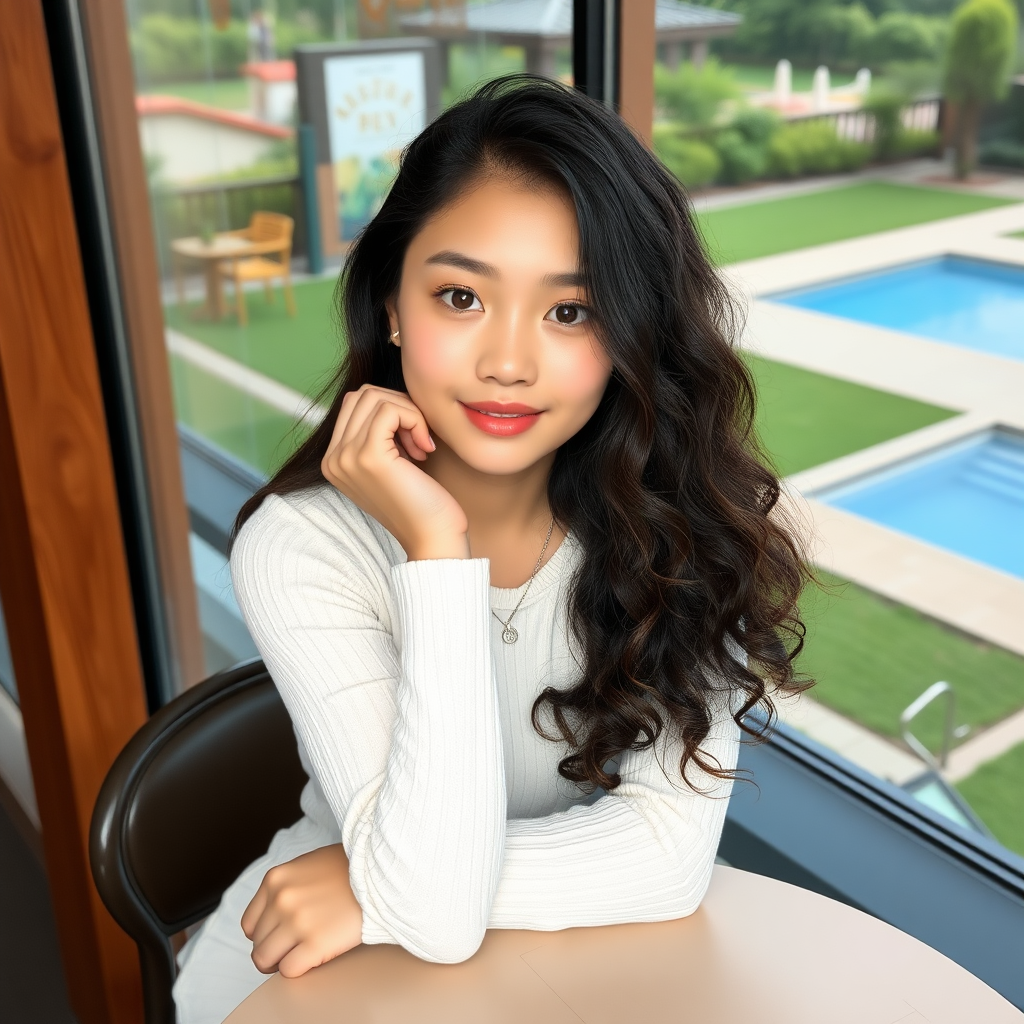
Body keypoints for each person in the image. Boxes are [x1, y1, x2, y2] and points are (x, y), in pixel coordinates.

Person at [172, 75, 808, 1024]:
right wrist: (435, 549)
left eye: (570, 311)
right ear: (392, 305)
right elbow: (433, 910)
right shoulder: (303, 546)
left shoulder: (687, 525)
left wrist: (375, 886)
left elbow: (670, 861)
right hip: (304, 976)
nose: (507, 360)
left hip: (418, 932)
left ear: (633, 331)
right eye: (461, 296)